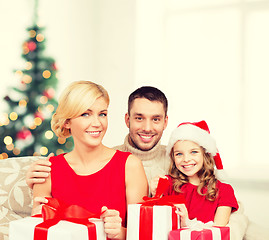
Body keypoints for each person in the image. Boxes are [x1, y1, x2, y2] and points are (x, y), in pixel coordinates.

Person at [26, 86, 249, 240]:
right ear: (127, 119)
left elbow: (225, 202)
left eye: (156, 119)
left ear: (165, 122)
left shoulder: (182, 161)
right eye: (139, 118)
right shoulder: (113, 159)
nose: (147, 128)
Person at [31, 81, 148, 240]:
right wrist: (37, 218)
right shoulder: (48, 170)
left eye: (102, 114)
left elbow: (142, 235)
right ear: (67, 121)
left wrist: (118, 232)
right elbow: (38, 232)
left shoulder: (130, 165)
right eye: (86, 114)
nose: (97, 123)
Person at [150, 120, 239, 227]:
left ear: (205, 154)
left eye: (194, 152)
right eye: (179, 154)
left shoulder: (224, 191)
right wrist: (155, 194)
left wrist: (186, 223)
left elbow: (218, 232)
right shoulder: (167, 183)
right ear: (173, 158)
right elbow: (156, 224)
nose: (186, 159)